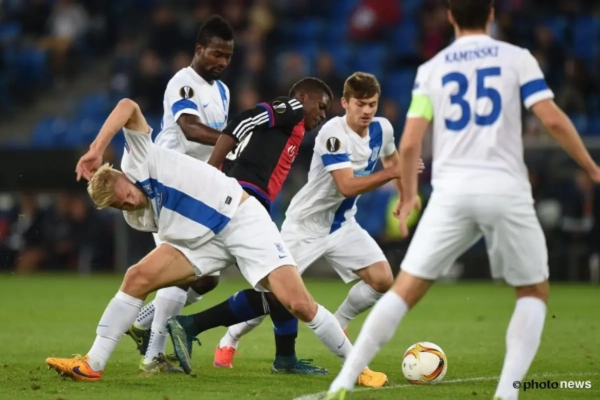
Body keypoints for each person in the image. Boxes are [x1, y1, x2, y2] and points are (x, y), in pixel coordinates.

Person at [325, 1, 600, 399]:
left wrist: (409, 195)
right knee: (533, 293)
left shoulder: (432, 68)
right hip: (505, 187)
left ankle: (343, 381)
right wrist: (591, 168)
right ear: (490, 14)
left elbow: (410, 142)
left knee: (403, 291)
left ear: (451, 16)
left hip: (451, 193)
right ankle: (507, 392)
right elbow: (553, 119)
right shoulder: (517, 58)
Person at [45, 98, 356, 382]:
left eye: (125, 194)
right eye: (120, 206)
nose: (129, 203)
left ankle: (357, 366)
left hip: (240, 218)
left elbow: (127, 105)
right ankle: (93, 364)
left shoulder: (138, 157)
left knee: (298, 303)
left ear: (123, 176)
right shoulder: (135, 217)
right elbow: (172, 239)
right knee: (136, 276)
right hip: (202, 242)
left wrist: (97, 147)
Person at [170, 72, 422, 388]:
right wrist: (394, 173)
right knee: (276, 294)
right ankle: (229, 338)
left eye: (372, 104)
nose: (367, 110)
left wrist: (404, 195)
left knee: (382, 278)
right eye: (361, 104)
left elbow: (391, 159)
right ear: (346, 104)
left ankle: (339, 323)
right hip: (305, 226)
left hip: (343, 224)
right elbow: (346, 186)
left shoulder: (382, 129)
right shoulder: (332, 134)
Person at [125, 15, 234, 372]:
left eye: (228, 56)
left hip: (196, 189)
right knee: (180, 269)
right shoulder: (183, 82)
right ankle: (153, 356)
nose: (222, 61)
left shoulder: (223, 91)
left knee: (208, 276)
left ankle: (141, 321)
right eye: (216, 53)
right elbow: (189, 128)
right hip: (167, 185)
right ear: (199, 49)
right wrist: (232, 140)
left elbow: (215, 147)